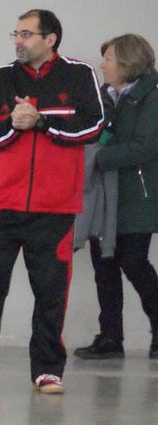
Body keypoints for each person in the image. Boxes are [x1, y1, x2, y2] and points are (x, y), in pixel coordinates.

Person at [0, 9, 104, 393]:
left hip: (55, 210)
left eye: (26, 34)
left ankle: (47, 370)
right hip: (2, 206)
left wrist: (42, 122)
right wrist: (14, 125)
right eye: (15, 34)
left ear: (50, 39)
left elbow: (94, 126)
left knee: (51, 292)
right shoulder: (1, 79)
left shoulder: (80, 75)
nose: (18, 41)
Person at [73, 34, 158, 361]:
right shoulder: (103, 97)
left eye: (108, 59)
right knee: (104, 266)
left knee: (134, 262)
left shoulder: (151, 97)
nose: (103, 65)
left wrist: (95, 160)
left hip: (138, 195)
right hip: (104, 197)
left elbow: (145, 147)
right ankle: (110, 338)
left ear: (127, 62)